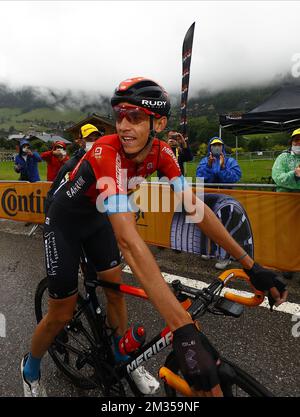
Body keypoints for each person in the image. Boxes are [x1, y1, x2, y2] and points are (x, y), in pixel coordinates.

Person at [21, 77, 287, 398]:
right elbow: (130, 242)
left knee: (116, 293)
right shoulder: (107, 151)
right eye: (119, 115)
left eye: (134, 117)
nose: (123, 125)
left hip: (97, 218)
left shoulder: (162, 152)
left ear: (158, 122)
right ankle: (30, 367)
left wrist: (251, 265)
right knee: (61, 312)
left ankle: (125, 361)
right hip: (65, 221)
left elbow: (196, 208)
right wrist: (181, 324)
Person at [196, 137, 242, 270]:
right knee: (209, 224)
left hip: (226, 200)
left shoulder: (230, 161)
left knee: (225, 227)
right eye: (214, 145)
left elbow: (234, 177)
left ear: (223, 147)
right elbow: (200, 178)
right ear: (210, 147)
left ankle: (225, 257)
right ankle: (210, 252)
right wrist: (209, 167)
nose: (217, 148)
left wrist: (222, 168)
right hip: (209, 199)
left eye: (219, 145)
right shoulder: (205, 161)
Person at [272, 128, 300, 279]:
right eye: (296, 140)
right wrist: (294, 175)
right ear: (291, 142)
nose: (298, 143)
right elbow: (277, 177)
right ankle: (287, 265)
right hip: (286, 203)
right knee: (286, 234)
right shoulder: (283, 157)